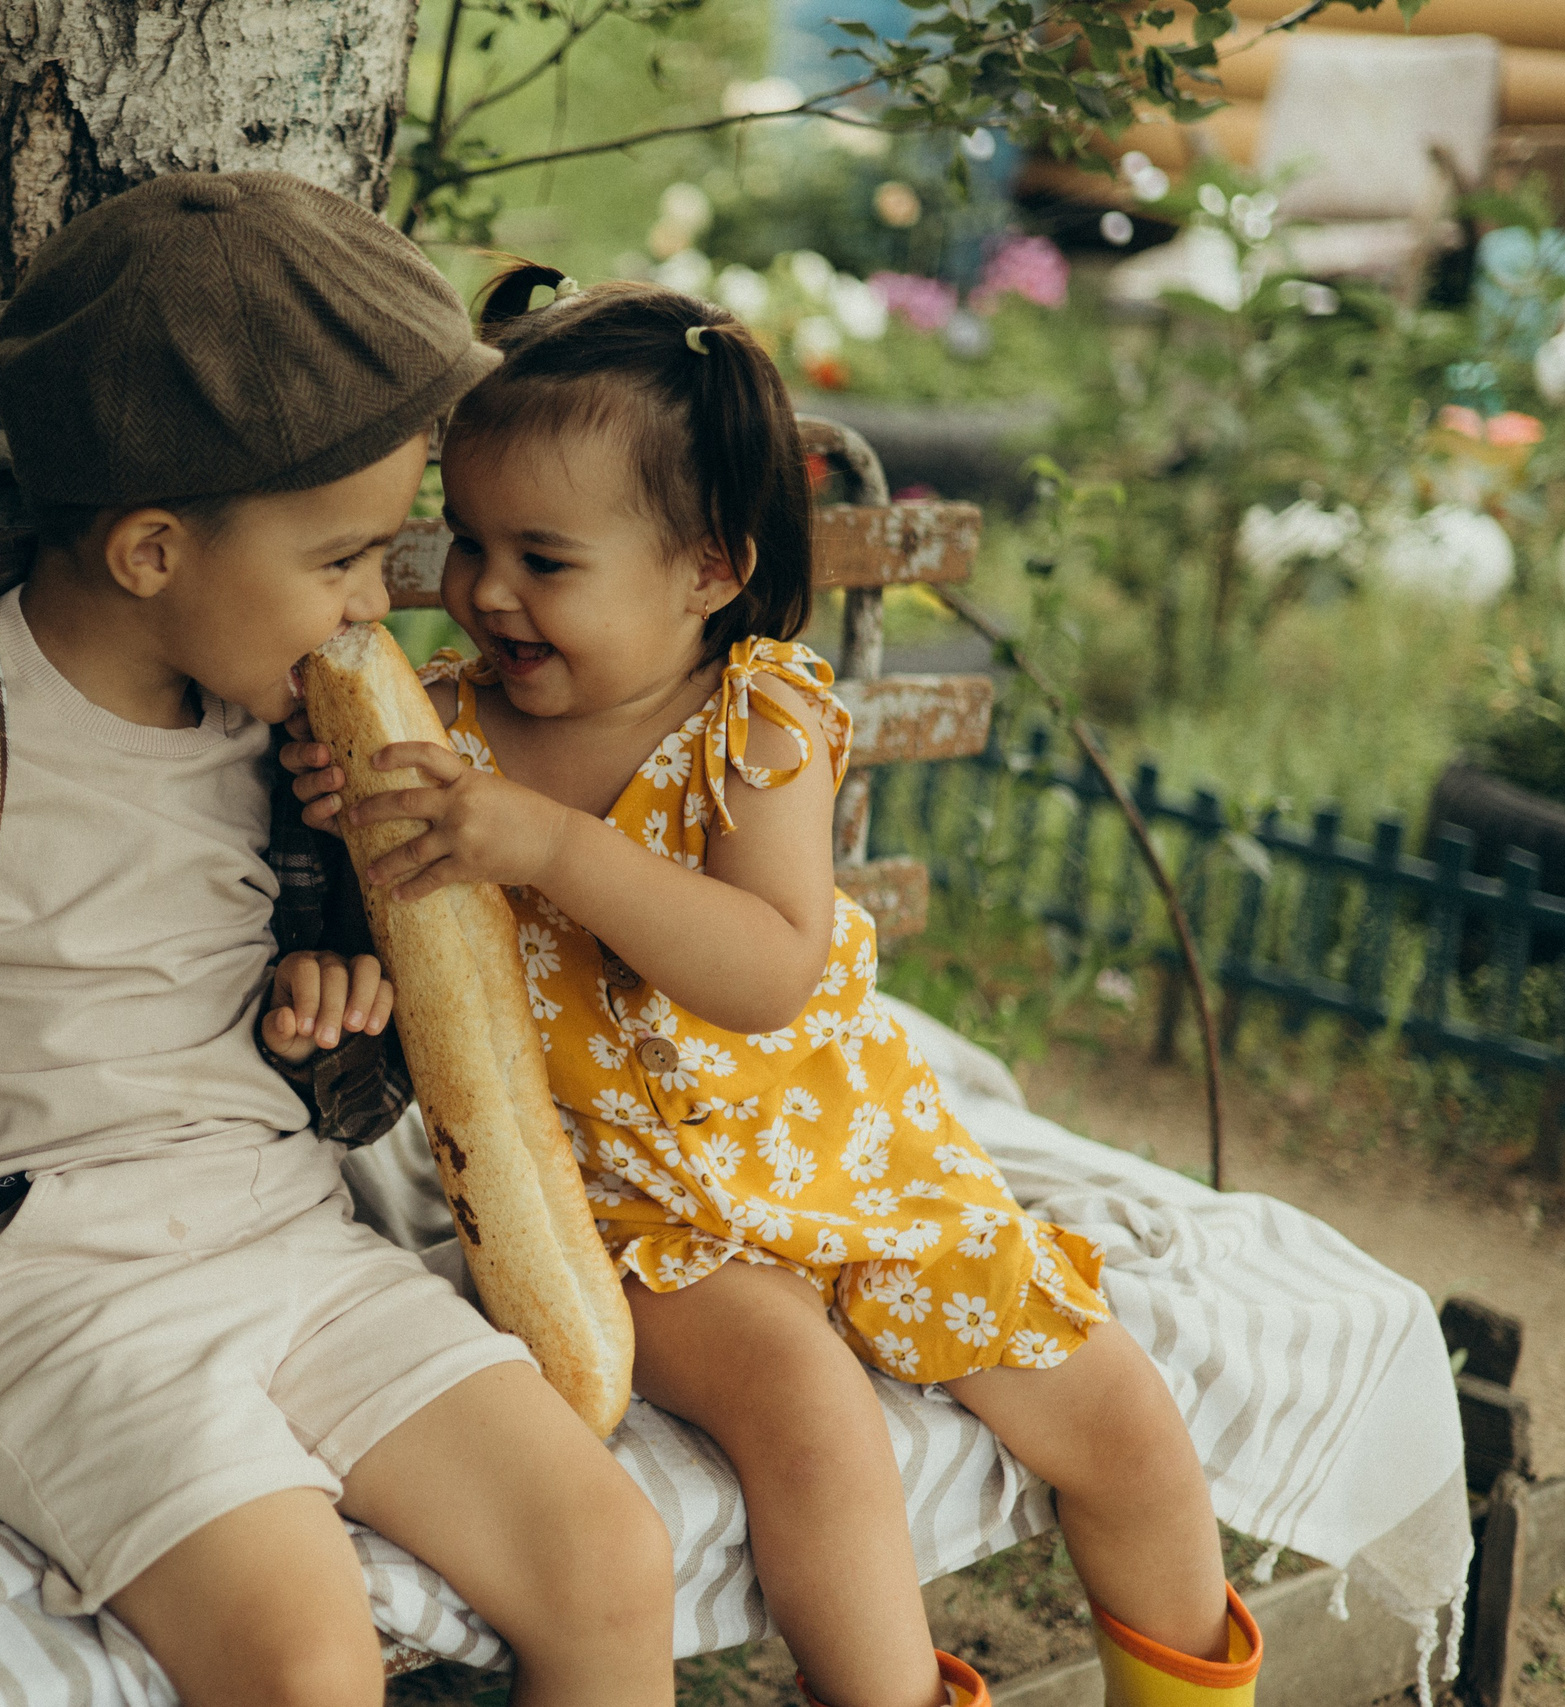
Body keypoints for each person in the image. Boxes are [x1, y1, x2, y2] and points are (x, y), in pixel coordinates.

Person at [0, 183, 675, 1707]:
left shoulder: (296, 748)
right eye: (344, 559)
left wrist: (335, 997)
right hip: (27, 1271)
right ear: (154, 550)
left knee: (612, 1563)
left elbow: (365, 1016)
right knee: (305, 1659)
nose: (377, 605)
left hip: (285, 1226)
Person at [283, 265, 1265, 1707]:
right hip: (633, 1209)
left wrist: (548, 844)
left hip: (855, 1164)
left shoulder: (761, 719)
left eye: (545, 560)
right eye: (470, 543)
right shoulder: (444, 734)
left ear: (709, 572)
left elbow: (764, 968)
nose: (487, 591)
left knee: (1116, 1414)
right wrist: (347, 839)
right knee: (810, 1413)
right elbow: (419, 963)